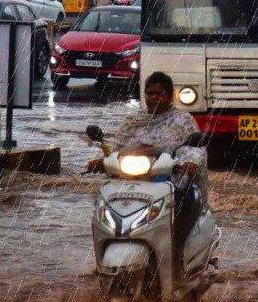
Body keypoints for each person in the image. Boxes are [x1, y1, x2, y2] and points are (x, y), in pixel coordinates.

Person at [87, 72, 205, 266]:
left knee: (185, 199)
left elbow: (193, 149)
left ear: (170, 96)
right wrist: (101, 161)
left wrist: (189, 163)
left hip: (169, 179)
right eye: (150, 94)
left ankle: (177, 250)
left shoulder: (182, 120)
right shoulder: (134, 121)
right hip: (133, 179)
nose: (154, 98)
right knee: (103, 201)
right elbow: (117, 146)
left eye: (159, 94)